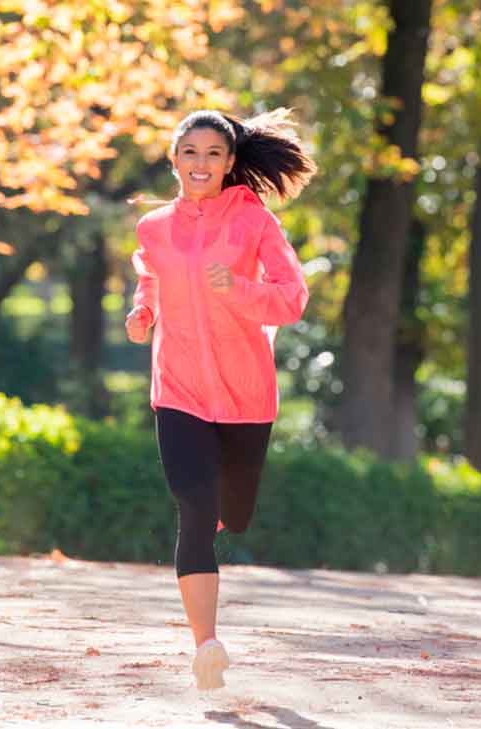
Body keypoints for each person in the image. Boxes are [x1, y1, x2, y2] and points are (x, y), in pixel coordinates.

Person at [125, 108, 317, 691]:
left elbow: (292, 298)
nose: (200, 164)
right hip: (178, 389)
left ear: (230, 163)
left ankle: (226, 522)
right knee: (194, 508)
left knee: (234, 513)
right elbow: (151, 277)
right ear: (173, 159)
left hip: (245, 395)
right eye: (189, 153)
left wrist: (237, 289)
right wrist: (144, 310)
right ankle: (206, 645)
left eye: (213, 154)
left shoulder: (254, 222)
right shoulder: (154, 227)